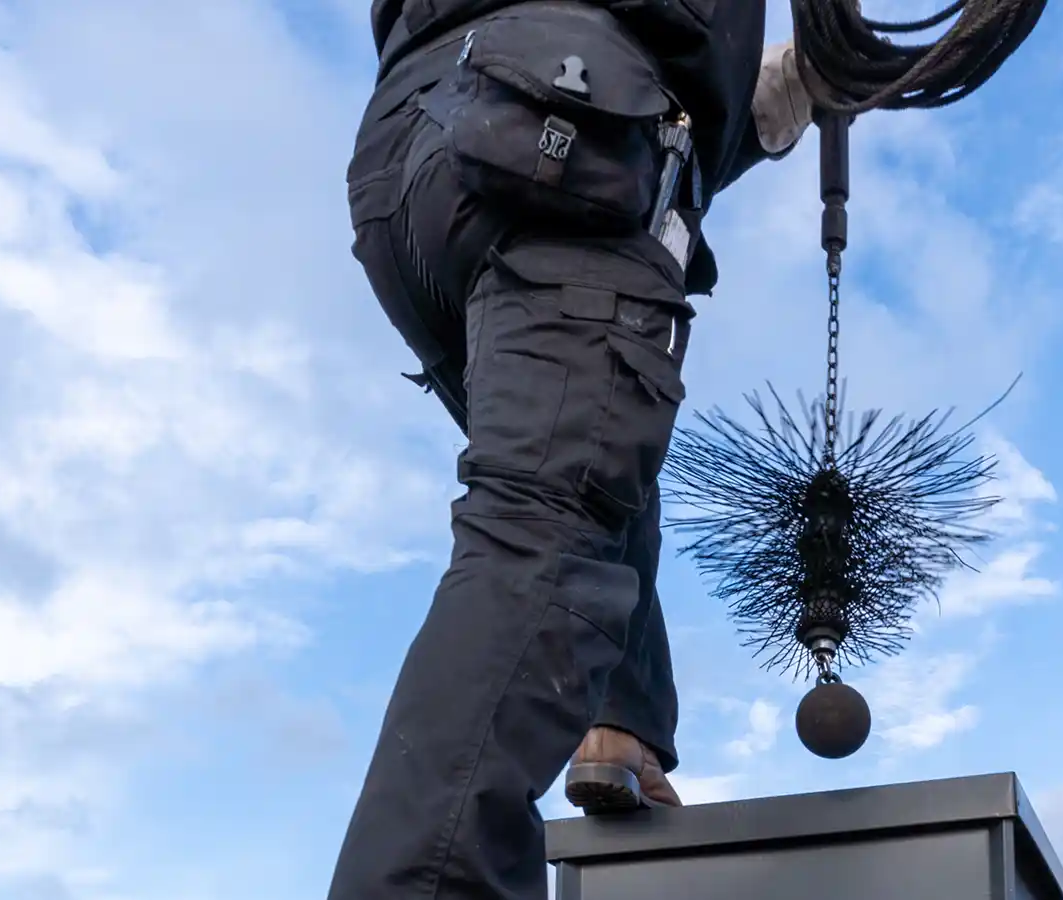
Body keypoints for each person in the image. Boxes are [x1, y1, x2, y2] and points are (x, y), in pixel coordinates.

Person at [329, 0, 823, 897]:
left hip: (416, 168)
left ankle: (621, 725)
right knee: (543, 532)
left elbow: (646, 83)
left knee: (592, 450)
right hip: (552, 124)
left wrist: (779, 95)